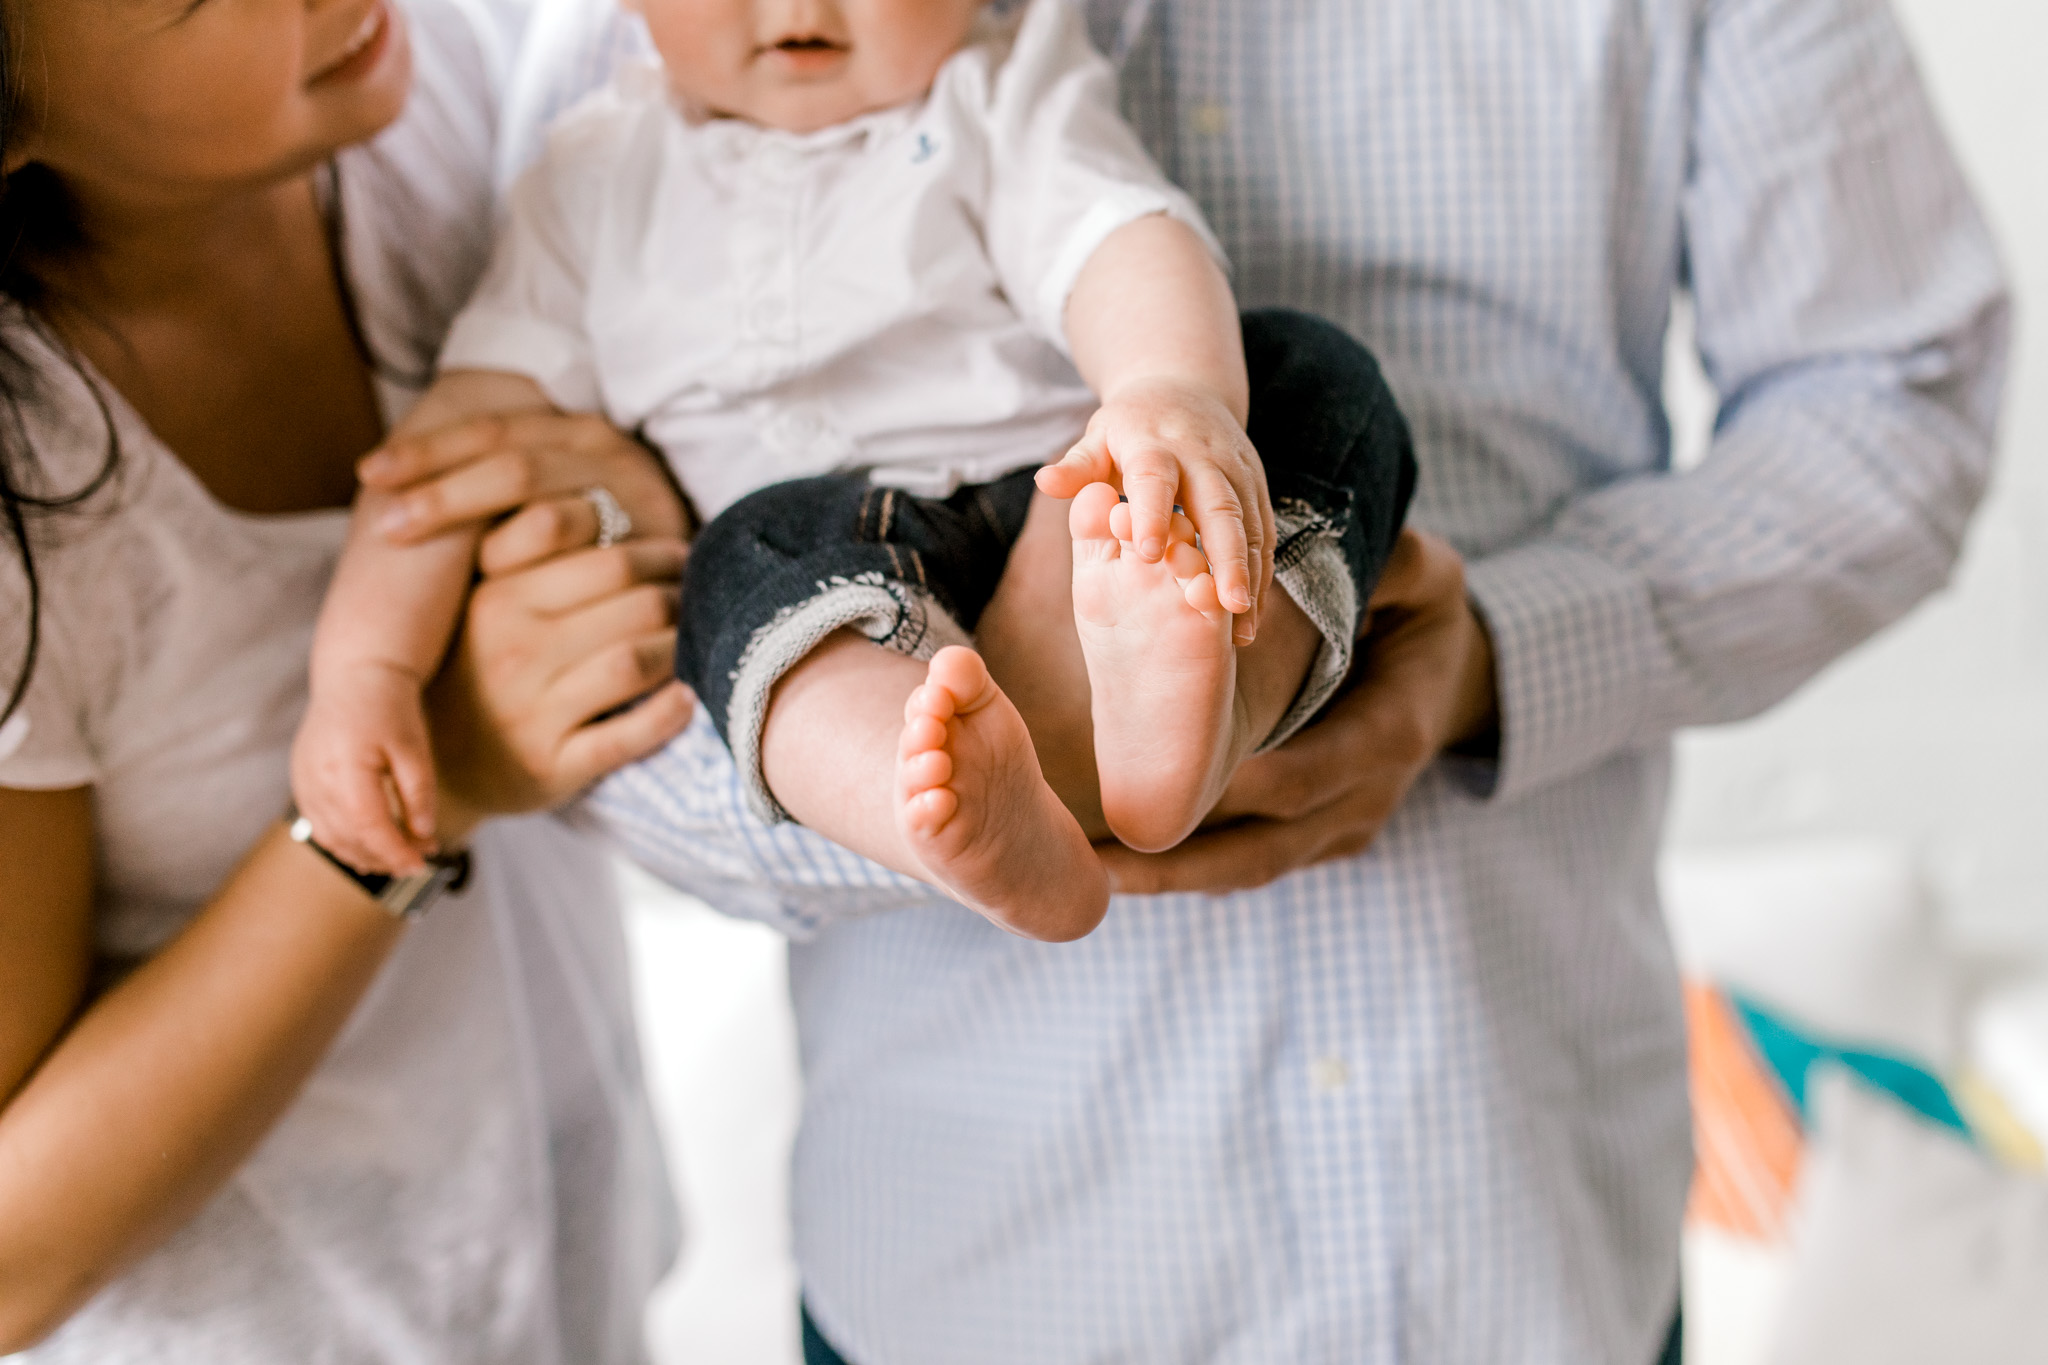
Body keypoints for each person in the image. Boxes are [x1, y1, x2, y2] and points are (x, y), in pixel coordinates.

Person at [533, 0, 2010, 1359]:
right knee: (764, 565)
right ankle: (1026, 739)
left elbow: (1897, 399)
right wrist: (897, 784)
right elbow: (537, 606)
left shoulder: (996, 78)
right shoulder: (639, 94)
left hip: (1521, 1251)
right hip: (973, 1273)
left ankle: (1200, 697)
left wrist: (1501, 655)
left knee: (1294, 399)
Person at [290, 0, 1415, 943]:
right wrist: (365, 674)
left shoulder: (994, 85)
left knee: (1303, 377)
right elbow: (458, 445)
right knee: (739, 572)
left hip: (1075, 513)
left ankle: (1198, 712)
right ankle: (932, 803)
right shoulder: (589, 178)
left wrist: (1168, 395)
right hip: (840, 567)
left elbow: (1118, 240)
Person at [0, 1, 695, 1359]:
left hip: (578, 1268)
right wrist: (436, 776)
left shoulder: (429, 95)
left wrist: (633, 512)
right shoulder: (24, 510)